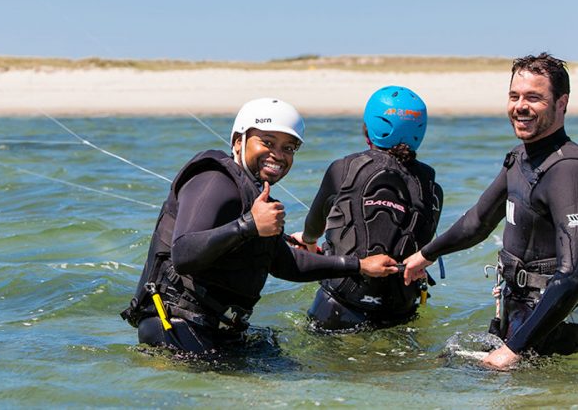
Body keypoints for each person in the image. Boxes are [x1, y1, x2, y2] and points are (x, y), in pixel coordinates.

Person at [121, 97, 399, 353]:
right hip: (175, 330)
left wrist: (359, 266)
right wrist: (249, 225)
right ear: (238, 141)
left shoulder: (256, 199)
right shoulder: (214, 180)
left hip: (219, 330)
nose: (279, 154)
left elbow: (286, 264)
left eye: (288, 148)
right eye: (267, 142)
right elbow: (183, 254)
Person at [404, 53, 578, 370]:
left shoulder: (565, 169)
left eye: (534, 98)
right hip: (514, 313)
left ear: (561, 103)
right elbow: (478, 222)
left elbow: (573, 274)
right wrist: (425, 254)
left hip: (551, 326)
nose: (520, 106)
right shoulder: (519, 158)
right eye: (515, 96)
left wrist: (513, 349)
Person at [290, 86, 443, 330]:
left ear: (369, 127)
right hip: (399, 309)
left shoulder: (342, 169)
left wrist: (309, 243)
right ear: (419, 132)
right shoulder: (433, 189)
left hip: (339, 304)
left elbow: (313, 227)